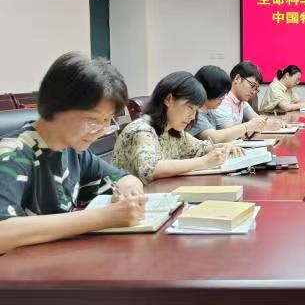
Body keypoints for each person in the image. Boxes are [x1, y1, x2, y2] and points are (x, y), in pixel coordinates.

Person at [0, 52, 146, 254]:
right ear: (56, 106)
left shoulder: (72, 150)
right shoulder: (12, 153)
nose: (101, 130)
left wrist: (130, 193)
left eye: (107, 120)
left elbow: (123, 178)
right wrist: (104, 217)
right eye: (92, 120)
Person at [112, 72, 242, 184]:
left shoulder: (173, 131)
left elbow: (199, 148)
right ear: (168, 99)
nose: (192, 117)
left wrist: (223, 148)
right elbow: (150, 169)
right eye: (190, 107)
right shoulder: (142, 129)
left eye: (196, 110)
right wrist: (203, 162)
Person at [189, 65, 282, 143]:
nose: (224, 96)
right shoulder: (197, 113)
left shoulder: (210, 110)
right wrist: (248, 126)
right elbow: (215, 137)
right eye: (220, 91)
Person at [212, 61, 264, 128]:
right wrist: (250, 126)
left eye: (256, 88)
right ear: (237, 78)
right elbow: (229, 131)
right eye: (252, 85)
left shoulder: (241, 101)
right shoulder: (223, 100)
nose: (253, 92)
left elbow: (258, 120)